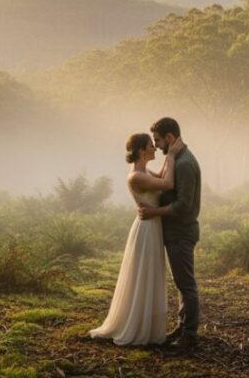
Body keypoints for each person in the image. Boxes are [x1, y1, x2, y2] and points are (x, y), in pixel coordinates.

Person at [90, 132, 183, 345]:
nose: (154, 149)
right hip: (147, 228)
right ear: (141, 150)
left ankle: (147, 326)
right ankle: (137, 327)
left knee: (150, 273)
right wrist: (172, 155)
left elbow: (161, 176)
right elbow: (167, 184)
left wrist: (170, 156)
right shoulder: (136, 176)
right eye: (151, 145)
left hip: (152, 225)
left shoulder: (144, 171)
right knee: (144, 273)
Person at [137, 117, 201, 351]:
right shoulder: (177, 159)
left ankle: (191, 334)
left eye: (158, 140)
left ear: (170, 138)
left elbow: (184, 205)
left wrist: (154, 211)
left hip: (181, 231)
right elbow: (162, 179)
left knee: (186, 284)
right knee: (181, 282)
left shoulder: (183, 164)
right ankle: (183, 326)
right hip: (175, 231)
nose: (157, 144)